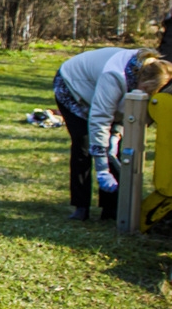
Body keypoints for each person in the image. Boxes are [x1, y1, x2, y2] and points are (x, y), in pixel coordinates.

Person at [53, 47, 172, 220]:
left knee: (117, 151)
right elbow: (100, 118)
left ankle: (111, 209)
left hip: (101, 95)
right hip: (73, 86)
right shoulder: (115, 75)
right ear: (144, 85)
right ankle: (81, 206)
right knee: (84, 144)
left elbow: (128, 115)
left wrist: (116, 137)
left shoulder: (152, 73)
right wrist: (102, 169)